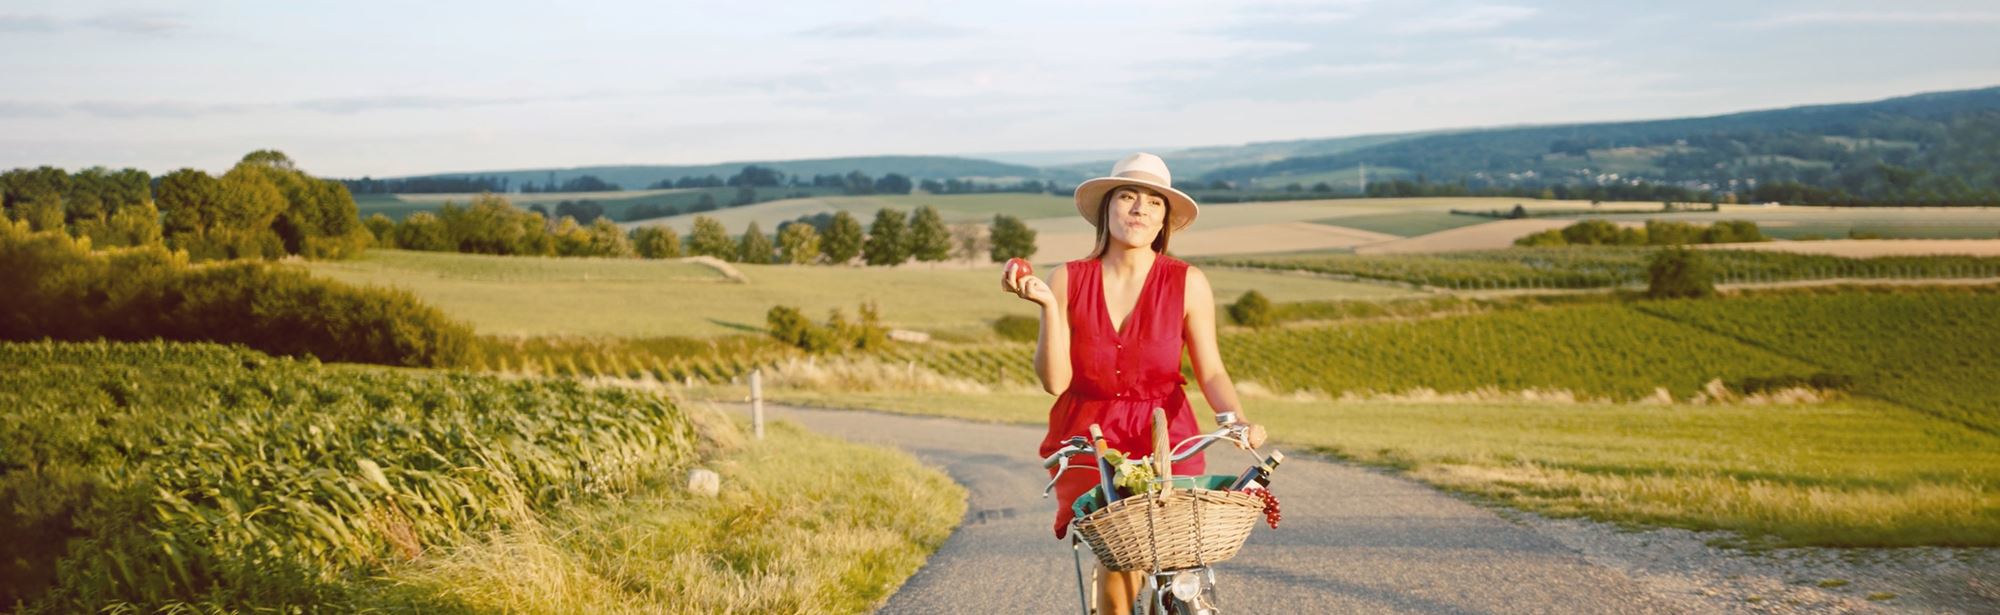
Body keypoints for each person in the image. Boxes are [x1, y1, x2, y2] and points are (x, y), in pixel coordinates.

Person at [1000, 152, 1267, 614]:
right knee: (1118, 570)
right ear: (1107, 208)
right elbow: (1055, 381)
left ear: (1164, 219)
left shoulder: (1187, 282)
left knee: (1180, 556)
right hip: (1090, 434)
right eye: (1127, 196)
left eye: (1154, 202)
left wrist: (1235, 420)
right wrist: (1047, 307)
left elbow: (1213, 369)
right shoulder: (1067, 278)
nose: (1140, 208)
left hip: (1167, 429)